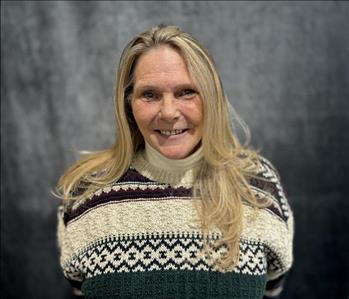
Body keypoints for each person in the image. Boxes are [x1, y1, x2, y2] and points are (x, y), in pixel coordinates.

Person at [56, 24, 294, 299]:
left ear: (212, 97)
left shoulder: (258, 185)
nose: (168, 112)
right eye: (149, 95)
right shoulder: (86, 191)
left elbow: (272, 287)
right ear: (128, 105)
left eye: (186, 92)